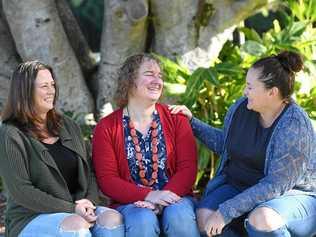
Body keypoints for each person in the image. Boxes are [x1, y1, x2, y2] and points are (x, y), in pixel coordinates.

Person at [170, 51, 316, 237]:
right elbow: (226, 144)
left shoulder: (294, 125)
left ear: (272, 92)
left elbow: (275, 186)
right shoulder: (241, 107)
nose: (245, 91)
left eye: (250, 87)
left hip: (292, 195)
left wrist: (226, 212)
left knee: (262, 219)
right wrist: (192, 122)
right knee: (206, 218)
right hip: (239, 186)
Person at [0, 61, 124, 237]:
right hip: (30, 217)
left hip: (78, 209)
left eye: (52, 85)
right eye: (44, 86)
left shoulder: (68, 125)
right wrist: (72, 208)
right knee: (77, 227)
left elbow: (89, 172)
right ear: (25, 92)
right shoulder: (10, 133)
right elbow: (21, 191)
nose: (51, 91)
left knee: (112, 219)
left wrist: (88, 202)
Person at [92, 53, 200, 237]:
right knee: (142, 219)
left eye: (160, 76)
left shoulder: (176, 119)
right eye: (149, 74)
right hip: (132, 203)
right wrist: (148, 195)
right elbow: (107, 179)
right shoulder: (107, 127)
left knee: (179, 215)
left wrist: (161, 198)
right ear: (129, 80)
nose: (157, 80)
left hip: (176, 197)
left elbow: (188, 168)